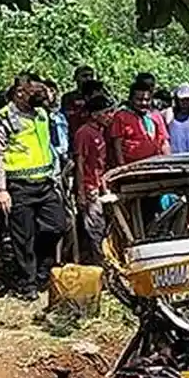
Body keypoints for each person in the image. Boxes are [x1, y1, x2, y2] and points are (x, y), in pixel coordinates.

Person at [0, 73, 70, 301]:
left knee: (58, 226)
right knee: (23, 237)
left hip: (44, 184)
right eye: (36, 91)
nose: (42, 95)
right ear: (20, 93)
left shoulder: (42, 114)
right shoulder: (2, 119)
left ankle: (42, 269)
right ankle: (27, 283)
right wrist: (1, 189)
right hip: (18, 186)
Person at [74, 95, 112, 266]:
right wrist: (81, 192)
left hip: (99, 185)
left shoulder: (101, 132)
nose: (110, 116)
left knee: (105, 226)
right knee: (95, 227)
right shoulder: (84, 133)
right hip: (89, 187)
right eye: (107, 112)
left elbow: (100, 165)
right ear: (95, 114)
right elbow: (80, 164)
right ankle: (100, 265)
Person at [109, 79, 169, 167]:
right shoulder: (121, 116)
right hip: (132, 167)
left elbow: (164, 142)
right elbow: (117, 145)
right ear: (130, 99)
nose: (144, 103)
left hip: (155, 166)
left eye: (147, 100)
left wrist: (168, 162)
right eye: (139, 99)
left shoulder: (155, 115)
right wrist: (122, 166)